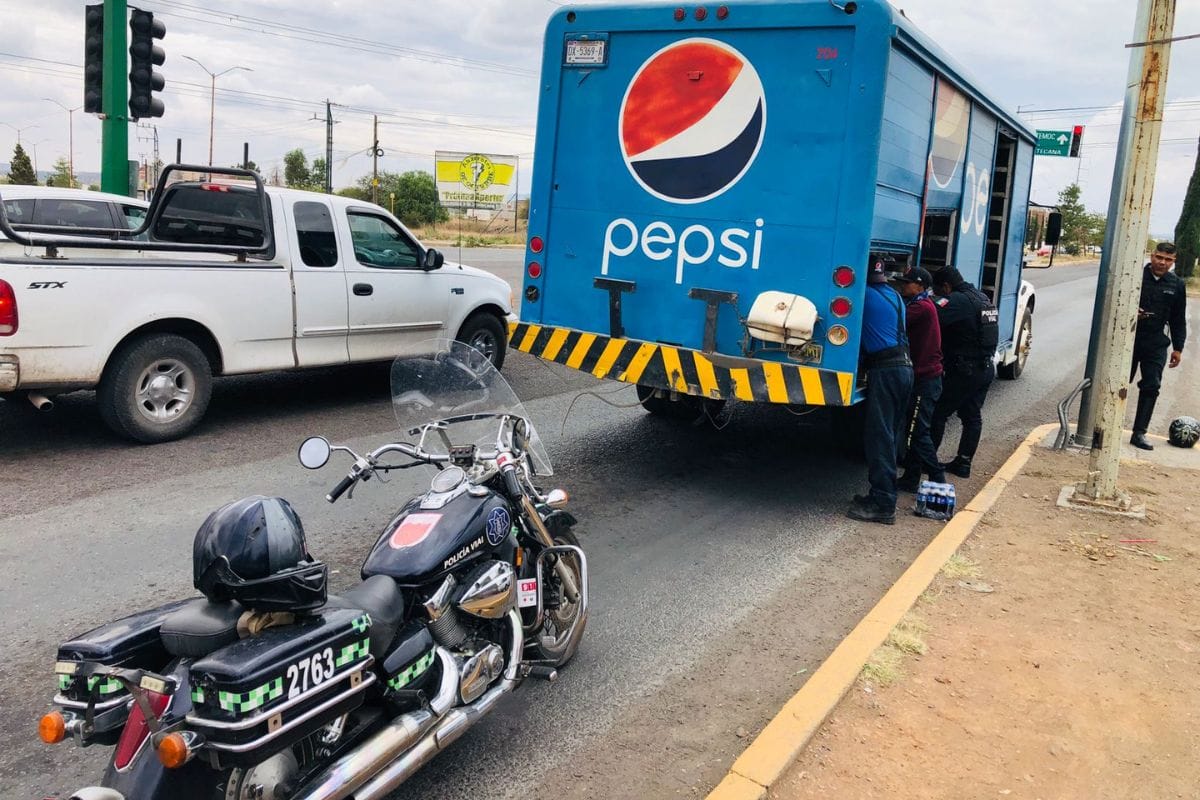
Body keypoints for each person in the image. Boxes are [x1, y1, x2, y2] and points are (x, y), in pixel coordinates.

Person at [848, 256, 914, 525]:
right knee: (891, 434)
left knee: (880, 436)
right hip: (904, 368)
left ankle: (884, 503)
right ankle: (883, 494)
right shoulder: (894, 295)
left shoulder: (861, 295)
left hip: (886, 370)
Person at [928, 266, 999, 479]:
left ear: (946, 286)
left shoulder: (958, 300)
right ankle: (964, 462)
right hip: (984, 367)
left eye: (939, 291)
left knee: (938, 412)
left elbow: (933, 316)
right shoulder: (981, 297)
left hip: (965, 370)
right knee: (971, 416)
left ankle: (926, 461)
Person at [892, 266, 945, 491]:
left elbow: (895, 320)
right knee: (913, 432)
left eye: (908, 283)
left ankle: (938, 478)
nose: (904, 286)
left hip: (926, 380)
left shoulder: (920, 308)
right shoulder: (923, 304)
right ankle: (911, 478)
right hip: (924, 377)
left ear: (921, 286)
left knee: (917, 431)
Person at [1129, 242, 1187, 450]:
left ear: (1173, 262)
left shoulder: (1177, 284)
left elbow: (1178, 319)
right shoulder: (1133, 276)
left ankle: (1139, 433)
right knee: (1117, 382)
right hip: (1129, 339)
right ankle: (1106, 425)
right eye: (1159, 257)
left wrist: (1178, 348)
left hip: (1155, 342)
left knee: (1152, 386)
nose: (1162, 262)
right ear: (1151, 256)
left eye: (1168, 259)